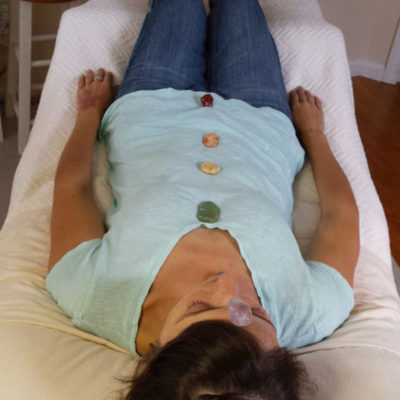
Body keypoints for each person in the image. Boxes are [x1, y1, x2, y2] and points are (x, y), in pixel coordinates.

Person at [45, 0, 359, 398]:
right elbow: (341, 215)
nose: (229, 285)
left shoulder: (91, 294)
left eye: (197, 308)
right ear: (281, 354)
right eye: (257, 312)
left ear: (156, 353)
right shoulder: (312, 312)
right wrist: (314, 134)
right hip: (260, 119)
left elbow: (73, 189)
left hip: (149, 108)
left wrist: (89, 114)